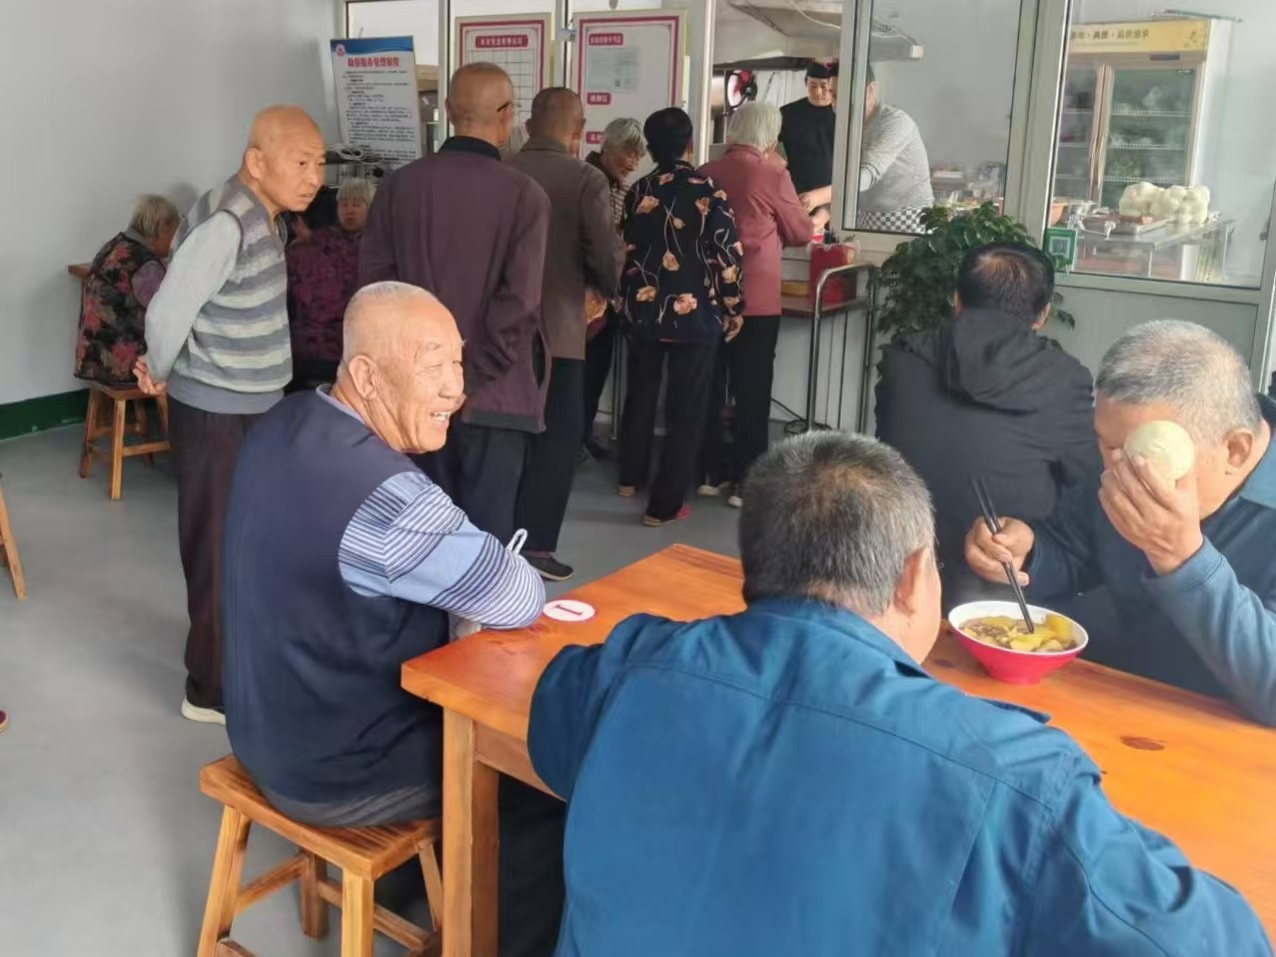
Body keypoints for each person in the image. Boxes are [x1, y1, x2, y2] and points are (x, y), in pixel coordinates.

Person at [528, 431, 1271, 957]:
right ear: (916, 575)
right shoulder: (1019, 777)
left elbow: (553, 732)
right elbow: (1213, 943)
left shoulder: (626, 665)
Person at [222, 282, 560, 956]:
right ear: (367, 376)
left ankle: (414, 884)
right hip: (332, 770)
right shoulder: (386, 500)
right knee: (540, 773)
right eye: (434, 366)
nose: (456, 389)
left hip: (258, 727)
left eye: (458, 362)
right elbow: (518, 594)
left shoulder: (284, 421)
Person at [967, 319, 1276, 726]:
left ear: (1235, 450)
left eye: (1136, 455)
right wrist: (1028, 552)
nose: (1114, 470)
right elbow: (1074, 547)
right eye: (1104, 442)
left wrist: (1183, 559)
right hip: (1116, 706)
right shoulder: (1120, 456)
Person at [136, 105, 325, 725]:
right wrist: (157, 367)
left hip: (256, 407)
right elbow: (169, 309)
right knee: (217, 549)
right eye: (302, 162)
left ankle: (240, 660)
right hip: (217, 413)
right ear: (257, 162)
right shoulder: (225, 224)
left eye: (319, 163)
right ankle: (208, 689)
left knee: (250, 544)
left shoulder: (267, 215)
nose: (314, 177)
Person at [361, 63, 550, 545]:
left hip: (412, 395)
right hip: (494, 400)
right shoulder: (525, 196)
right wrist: (465, 378)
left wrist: (425, 377)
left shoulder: (397, 187)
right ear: (506, 116)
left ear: (447, 111)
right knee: (484, 548)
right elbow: (519, 304)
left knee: (415, 540)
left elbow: (375, 293)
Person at [877, 242, 1098, 607]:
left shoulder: (905, 358)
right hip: (1006, 580)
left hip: (894, 569)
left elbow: (887, 452)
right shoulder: (1066, 379)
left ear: (957, 301)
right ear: (1042, 314)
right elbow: (1086, 484)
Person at [510, 89, 625, 582]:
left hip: (498, 332)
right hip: (559, 329)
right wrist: (607, 288)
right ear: (578, 131)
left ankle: (495, 541)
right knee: (557, 437)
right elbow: (605, 252)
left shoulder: (500, 169)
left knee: (505, 438)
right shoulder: (585, 179)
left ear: (528, 125)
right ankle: (536, 546)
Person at [616, 108, 744, 526]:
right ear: (690, 144)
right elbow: (726, 255)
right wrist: (733, 306)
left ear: (650, 148)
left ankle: (630, 477)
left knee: (640, 395)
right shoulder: (708, 190)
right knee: (685, 410)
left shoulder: (639, 190)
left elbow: (625, 248)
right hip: (694, 314)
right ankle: (664, 505)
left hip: (644, 309)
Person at [698, 102, 812, 505]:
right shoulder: (772, 173)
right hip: (755, 297)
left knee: (710, 386)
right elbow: (800, 232)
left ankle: (709, 473)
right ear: (770, 136)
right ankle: (746, 482)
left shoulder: (705, 172)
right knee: (752, 390)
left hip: (708, 295)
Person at [793, 64, 934, 233]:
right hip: (866, 220)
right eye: (834, 95)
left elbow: (866, 176)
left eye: (847, 96)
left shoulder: (895, 122)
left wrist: (817, 197)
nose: (837, 105)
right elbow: (848, 183)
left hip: (908, 221)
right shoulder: (850, 127)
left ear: (870, 90)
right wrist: (821, 217)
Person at [583, 117, 646, 462]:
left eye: (638, 156)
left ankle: (581, 435)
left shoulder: (614, 184)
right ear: (608, 146)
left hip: (602, 291)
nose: (633, 163)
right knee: (588, 373)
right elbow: (601, 245)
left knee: (593, 373)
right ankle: (577, 439)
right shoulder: (594, 183)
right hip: (593, 293)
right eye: (628, 153)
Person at [75, 195, 180, 384]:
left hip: (90, 358)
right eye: (175, 232)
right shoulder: (144, 262)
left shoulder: (114, 246)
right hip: (121, 366)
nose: (175, 242)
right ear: (163, 227)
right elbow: (165, 314)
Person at [285, 177, 375, 390]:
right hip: (309, 351)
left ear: (371, 209)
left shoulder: (378, 249)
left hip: (356, 349)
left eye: (357, 204)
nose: (349, 210)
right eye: (344, 204)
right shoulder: (309, 245)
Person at [778, 59, 838, 234]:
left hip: (831, 198)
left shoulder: (842, 115)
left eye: (824, 86)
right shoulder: (787, 113)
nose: (818, 92)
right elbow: (774, 150)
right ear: (805, 83)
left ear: (832, 87)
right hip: (795, 196)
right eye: (813, 85)